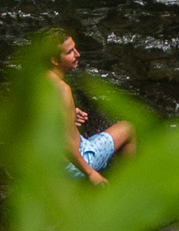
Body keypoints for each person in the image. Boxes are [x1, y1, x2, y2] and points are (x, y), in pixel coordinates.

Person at [49, 32, 136, 184]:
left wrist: (70, 113)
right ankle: (127, 187)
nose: (77, 54)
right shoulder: (62, 90)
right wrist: (90, 174)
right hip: (70, 168)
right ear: (55, 60)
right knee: (128, 129)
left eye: (75, 49)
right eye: (70, 52)